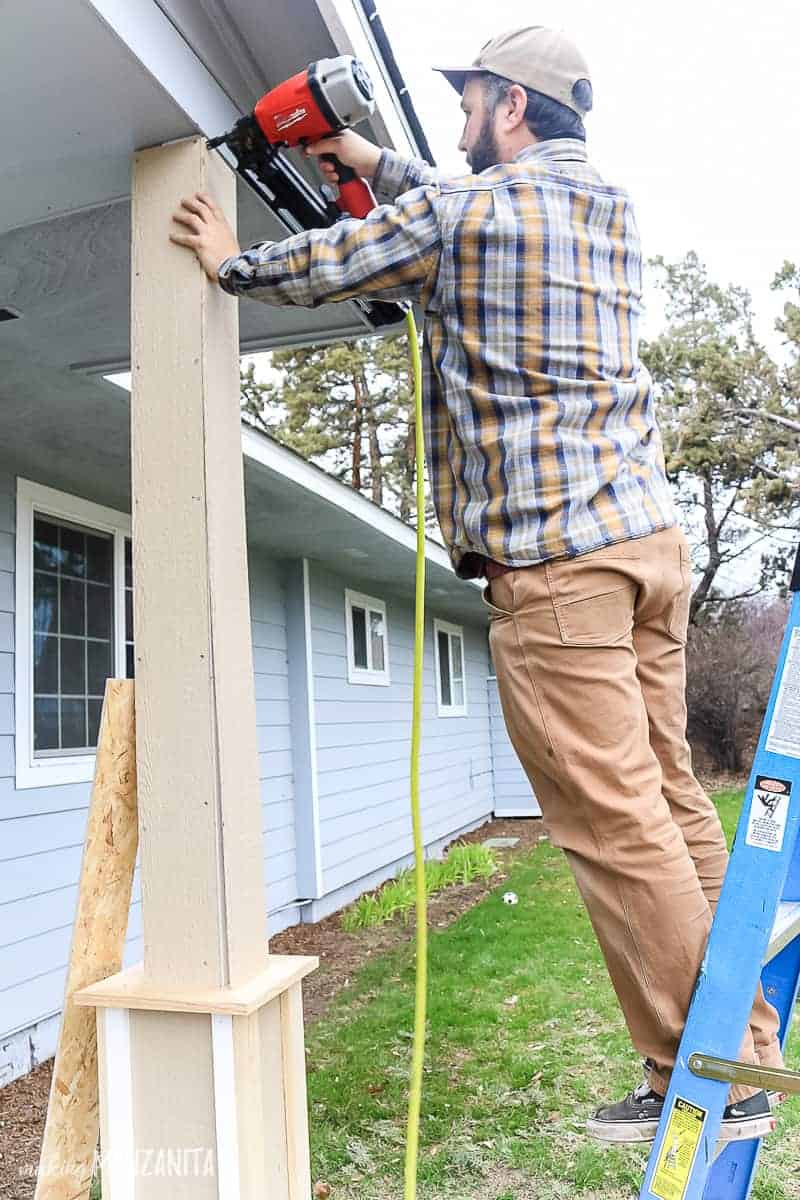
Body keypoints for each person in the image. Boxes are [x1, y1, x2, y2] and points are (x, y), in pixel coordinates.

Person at [171, 24, 784, 1144]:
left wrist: (226, 258)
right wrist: (363, 157)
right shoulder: (602, 205)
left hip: (554, 570)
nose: (455, 119)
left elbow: (334, 264)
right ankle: (745, 1043)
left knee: (610, 823)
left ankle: (703, 1074)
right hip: (644, 552)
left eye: (467, 102)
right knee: (668, 793)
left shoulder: (462, 217)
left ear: (508, 105)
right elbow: (447, 203)